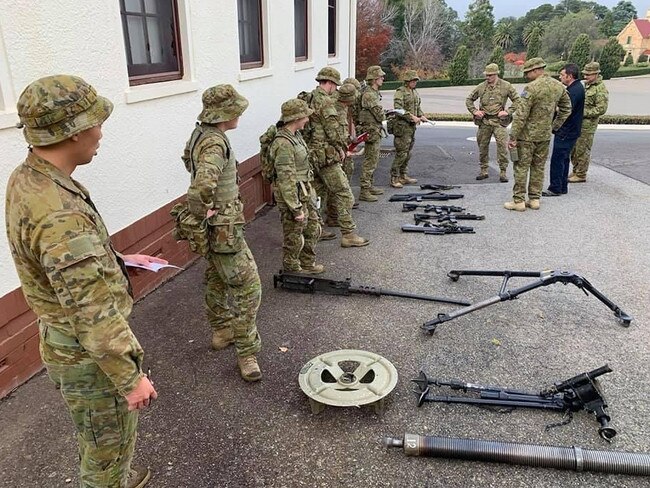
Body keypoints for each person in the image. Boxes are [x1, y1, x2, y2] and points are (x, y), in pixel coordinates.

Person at [5, 74, 161, 487]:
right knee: (105, 453)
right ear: (71, 131)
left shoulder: (31, 178)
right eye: (95, 121)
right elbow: (90, 311)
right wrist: (130, 378)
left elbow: (60, 265)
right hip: (89, 353)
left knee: (98, 437)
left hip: (67, 340)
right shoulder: (59, 214)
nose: (100, 131)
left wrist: (116, 259)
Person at [176, 84, 262, 381]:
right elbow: (202, 184)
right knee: (248, 288)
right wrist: (203, 212)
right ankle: (246, 353)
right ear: (226, 112)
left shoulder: (201, 134)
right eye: (237, 109)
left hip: (217, 229)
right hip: (223, 229)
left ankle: (222, 331)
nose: (240, 113)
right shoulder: (214, 142)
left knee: (216, 278)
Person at [305, 67, 369, 248]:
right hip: (326, 156)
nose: (336, 89)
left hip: (312, 155)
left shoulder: (309, 97)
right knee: (344, 193)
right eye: (335, 85)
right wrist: (343, 150)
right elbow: (333, 132)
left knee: (317, 194)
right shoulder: (324, 102)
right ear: (330, 83)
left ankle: (315, 229)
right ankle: (348, 234)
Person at [505, 58, 572, 211]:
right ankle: (534, 199)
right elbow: (567, 108)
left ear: (536, 70)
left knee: (521, 167)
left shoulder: (531, 88)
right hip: (545, 136)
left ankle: (519, 201)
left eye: (527, 73)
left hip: (526, 137)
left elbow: (521, 115)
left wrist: (513, 136)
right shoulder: (558, 86)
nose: (526, 76)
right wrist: (554, 126)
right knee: (538, 167)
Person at [269, 99, 324, 274]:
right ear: (296, 118)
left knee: (313, 227)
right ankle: (292, 269)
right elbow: (285, 179)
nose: (307, 119)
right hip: (294, 195)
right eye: (305, 116)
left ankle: (307, 262)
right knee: (294, 234)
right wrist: (295, 208)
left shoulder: (296, 136)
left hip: (305, 190)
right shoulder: (283, 143)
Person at [465, 63, 520, 182]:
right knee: (483, 146)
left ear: (496, 74)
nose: (487, 77)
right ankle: (484, 170)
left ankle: (503, 171)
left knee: (502, 147)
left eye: (490, 75)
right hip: (484, 121)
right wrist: (475, 111)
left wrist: (508, 112)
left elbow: (517, 100)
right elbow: (469, 99)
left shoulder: (506, 86)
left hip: (499, 122)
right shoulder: (481, 87)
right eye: (486, 75)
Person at [543, 63, 585, 197]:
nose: (560, 77)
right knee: (564, 159)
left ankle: (555, 187)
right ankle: (562, 186)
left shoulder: (573, 91)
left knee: (557, 159)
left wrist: (554, 125)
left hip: (566, 130)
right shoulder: (577, 87)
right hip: (571, 130)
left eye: (562, 75)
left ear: (570, 76)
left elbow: (565, 111)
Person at [568, 62, 609, 183]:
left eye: (589, 75)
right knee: (574, 149)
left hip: (587, 126)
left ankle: (581, 174)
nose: (586, 77)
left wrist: (582, 112)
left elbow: (601, 109)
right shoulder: (585, 85)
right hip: (578, 123)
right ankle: (576, 170)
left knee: (582, 150)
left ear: (596, 74)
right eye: (585, 74)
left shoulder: (600, 89)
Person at [390, 70, 430, 188]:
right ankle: (394, 177)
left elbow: (417, 107)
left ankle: (403, 175)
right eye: (413, 80)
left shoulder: (414, 92)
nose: (415, 83)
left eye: (416, 80)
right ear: (407, 81)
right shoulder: (400, 92)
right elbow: (398, 109)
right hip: (402, 127)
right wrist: (411, 117)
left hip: (411, 128)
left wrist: (421, 115)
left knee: (408, 153)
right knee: (401, 153)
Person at [358, 65, 386, 202]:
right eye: (380, 77)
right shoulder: (369, 94)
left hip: (375, 130)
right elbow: (379, 115)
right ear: (374, 79)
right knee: (370, 161)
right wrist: (386, 114)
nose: (383, 78)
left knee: (374, 160)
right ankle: (364, 190)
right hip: (371, 131)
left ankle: (369, 186)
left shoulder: (373, 93)